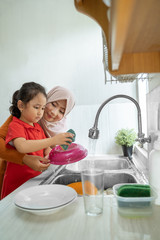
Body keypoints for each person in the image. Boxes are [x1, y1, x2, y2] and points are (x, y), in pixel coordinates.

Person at [1, 82, 74, 199]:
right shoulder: (15, 125)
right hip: (16, 185)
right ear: (21, 106)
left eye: (62, 111)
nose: (53, 112)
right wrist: (52, 141)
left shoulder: (37, 127)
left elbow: (46, 147)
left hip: (32, 182)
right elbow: (22, 146)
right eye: (37, 107)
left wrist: (48, 154)